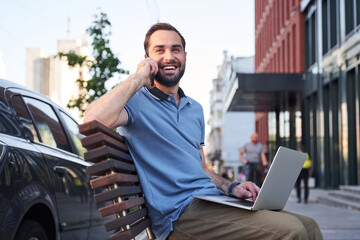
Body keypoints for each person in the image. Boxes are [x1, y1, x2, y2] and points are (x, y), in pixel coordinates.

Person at [84, 22, 323, 240]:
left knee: (309, 225)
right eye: (160, 50)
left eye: (176, 49)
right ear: (148, 59)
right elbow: (92, 120)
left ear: (185, 56)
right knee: (293, 231)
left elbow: (201, 169)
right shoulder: (136, 101)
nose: (169, 56)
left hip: (211, 202)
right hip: (179, 214)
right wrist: (138, 77)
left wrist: (231, 187)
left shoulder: (194, 109)